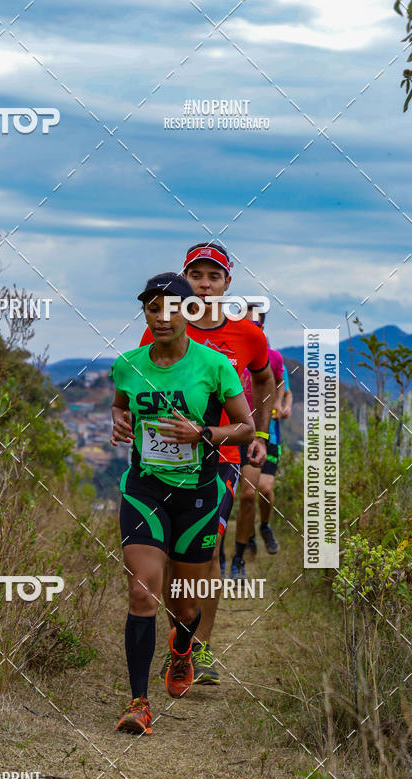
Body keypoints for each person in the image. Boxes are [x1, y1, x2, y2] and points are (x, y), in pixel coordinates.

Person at [111, 272, 254, 734]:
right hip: (144, 488)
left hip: (196, 494)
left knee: (185, 607)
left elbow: (246, 428)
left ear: (190, 312)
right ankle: (138, 702)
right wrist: (119, 421)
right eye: (153, 308)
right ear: (146, 314)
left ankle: (181, 650)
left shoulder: (214, 366)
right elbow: (120, 403)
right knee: (142, 591)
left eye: (172, 306)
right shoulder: (127, 364)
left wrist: (204, 434)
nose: (162, 315)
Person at [140, 243, 275, 685]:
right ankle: (180, 640)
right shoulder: (160, 330)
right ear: (183, 281)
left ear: (226, 284)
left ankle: (200, 648)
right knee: (173, 556)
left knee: (208, 549)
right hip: (167, 460)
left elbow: (263, 378)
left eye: (213, 276)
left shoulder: (247, 336)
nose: (203, 283)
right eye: (195, 275)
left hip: (222, 457)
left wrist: (260, 433)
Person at [232, 306, 283, 577]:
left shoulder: (271, 357)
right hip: (229, 430)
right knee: (240, 495)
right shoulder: (226, 352)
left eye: (255, 323)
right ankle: (234, 551)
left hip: (262, 433)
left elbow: (279, 384)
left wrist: (281, 405)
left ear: (262, 326)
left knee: (258, 490)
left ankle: (262, 527)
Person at [248, 360, 293, 555]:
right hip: (242, 436)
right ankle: (247, 538)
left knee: (265, 489)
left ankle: (265, 526)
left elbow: (287, 392)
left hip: (270, 437)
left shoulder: (274, 363)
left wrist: (285, 406)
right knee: (246, 493)